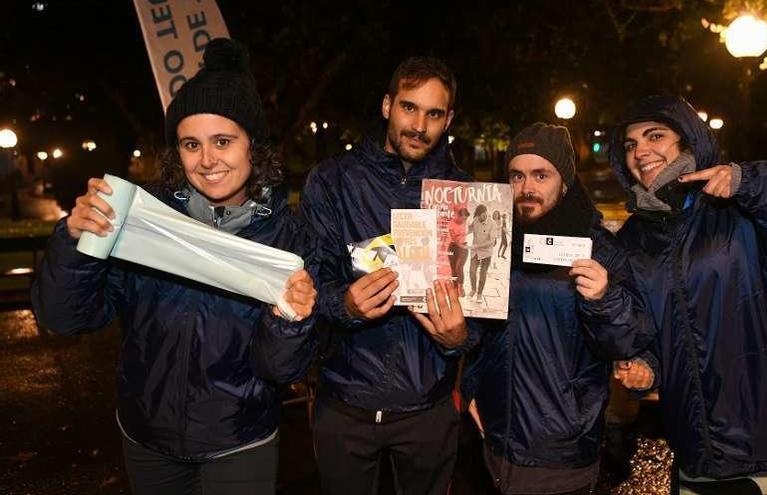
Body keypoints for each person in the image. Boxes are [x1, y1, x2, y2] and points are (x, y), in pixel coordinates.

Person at [31, 39, 318, 495]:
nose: (206, 160)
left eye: (222, 141)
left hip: (239, 443)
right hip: (147, 439)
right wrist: (73, 242)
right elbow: (65, 318)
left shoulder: (288, 240)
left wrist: (290, 321)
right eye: (191, 144)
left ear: (253, 146)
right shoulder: (142, 222)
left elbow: (280, 369)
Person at [609, 95, 767, 494]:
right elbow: (649, 328)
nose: (640, 152)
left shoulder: (744, 204)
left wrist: (760, 187)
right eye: (630, 144)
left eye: (655, 136)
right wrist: (646, 365)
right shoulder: (636, 239)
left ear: (689, 141)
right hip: (699, 456)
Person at [299, 56, 479, 495]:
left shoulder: (464, 197)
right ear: (386, 106)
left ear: (448, 119)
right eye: (408, 107)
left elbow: (481, 314)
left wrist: (460, 339)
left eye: (434, 113)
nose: (419, 125)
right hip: (345, 402)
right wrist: (344, 305)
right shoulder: (331, 182)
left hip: (428, 408)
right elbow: (305, 287)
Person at [461, 123, 655, 494]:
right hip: (495, 442)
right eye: (517, 175)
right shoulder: (493, 241)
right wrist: (471, 387)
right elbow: (480, 330)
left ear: (564, 182)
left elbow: (630, 339)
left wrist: (604, 298)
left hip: (561, 452)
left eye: (541, 175)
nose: (527, 188)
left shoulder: (597, 248)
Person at [468, 203, 495, 302]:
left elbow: (491, 241)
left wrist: (477, 246)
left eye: (485, 214)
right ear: (477, 215)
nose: (483, 216)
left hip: (486, 253)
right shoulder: (476, 220)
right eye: (481, 215)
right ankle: (473, 290)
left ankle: (479, 294)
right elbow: (469, 230)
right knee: (472, 271)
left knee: (483, 273)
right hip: (475, 252)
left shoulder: (492, 223)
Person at [448, 206, 470, 292]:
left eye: (466, 218)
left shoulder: (467, 222)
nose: (464, 220)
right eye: (463, 218)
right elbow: (454, 238)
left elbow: (471, 230)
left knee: (459, 268)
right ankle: (454, 286)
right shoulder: (451, 223)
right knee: (453, 268)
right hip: (453, 247)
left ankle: (461, 287)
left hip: (464, 247)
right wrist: (461, 245)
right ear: (459, 216)